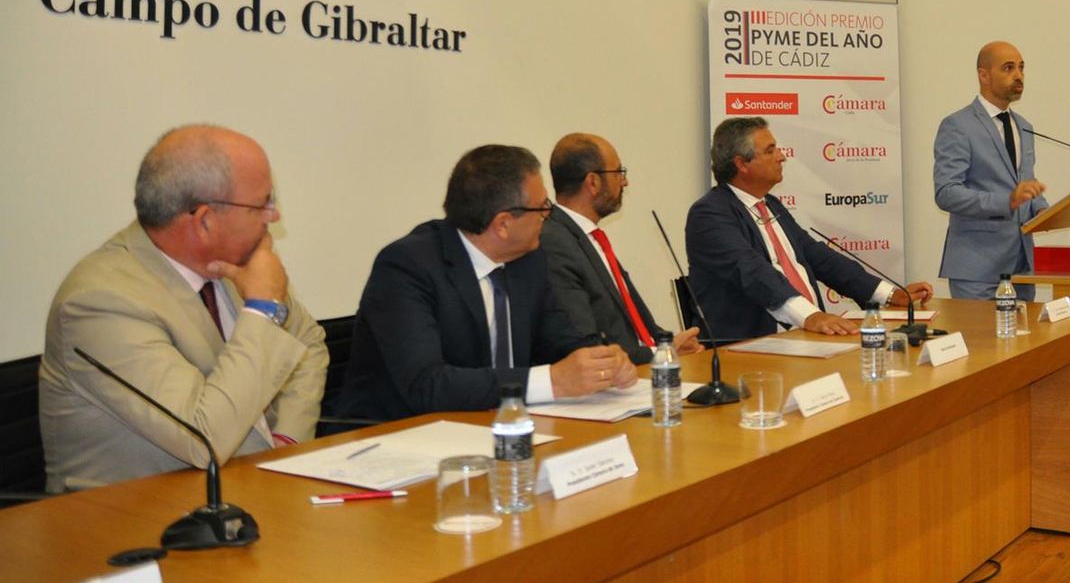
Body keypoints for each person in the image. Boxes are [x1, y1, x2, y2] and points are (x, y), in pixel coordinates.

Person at [38, 125, 328, 492]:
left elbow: (309, 345)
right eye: (262, 204)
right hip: (129, 526)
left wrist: (286, 441)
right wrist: (263, 308)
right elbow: (202, 437)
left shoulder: (233, 264)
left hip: (247, 498)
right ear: (204, 220)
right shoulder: (101, 301)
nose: (274, 217)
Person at [340, 144, 633, 422]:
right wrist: (552, 381)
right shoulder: (407, 267)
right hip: (396, 438)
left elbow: (559, 341)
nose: (549, 215)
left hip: (496, 428)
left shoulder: (528, 259)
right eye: (542, 206)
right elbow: (427, 385)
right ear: (503, 224)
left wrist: (602, 360)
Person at [685, 117, 932, 341]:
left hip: (803, 338)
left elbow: (818, 257)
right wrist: (809, 316)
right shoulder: (709, 215)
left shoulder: (770, 204)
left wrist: (888, 295)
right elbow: (751, 271)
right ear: (742, 164)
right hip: (752, 346)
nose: (782, 156)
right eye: (770, 151)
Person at [542, 133, 703, 365]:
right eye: (619, 172)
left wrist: (671, 344)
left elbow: (637, 325)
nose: (625, 182)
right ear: (593, 182)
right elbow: (585, 346)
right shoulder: (555, 243)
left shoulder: (590, 238)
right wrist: (662, 352)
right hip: (611, 384)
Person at [934, 40, 1050, 301]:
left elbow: (1024, 183)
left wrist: (1042, 209)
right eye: (1008, 68)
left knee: (1027, 342)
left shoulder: (1024, 127)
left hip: (1021, 267)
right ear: (983, 75)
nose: (1018, 75)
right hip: (977, 268)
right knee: (982, 342)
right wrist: (1006, 200)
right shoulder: (958, 126)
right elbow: (946, 192)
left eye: (1021, 68)